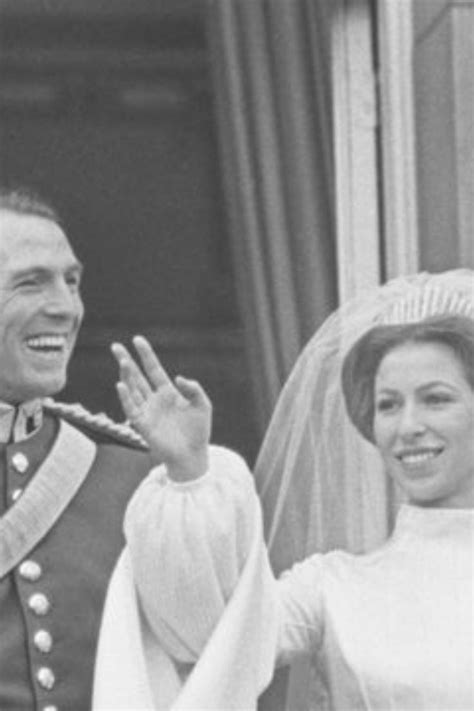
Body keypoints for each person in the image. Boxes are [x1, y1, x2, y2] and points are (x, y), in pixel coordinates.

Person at [93, 269, 474, 710]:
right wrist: (188, 472)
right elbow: (209, 642)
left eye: (436, 399)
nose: (407, 427)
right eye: (389, 404)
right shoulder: (331, 588)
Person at [0, 186, 153, 710]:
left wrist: (192, 472)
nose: (65, 308)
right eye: (31, 283)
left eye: (72, 282)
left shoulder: (131, 477)